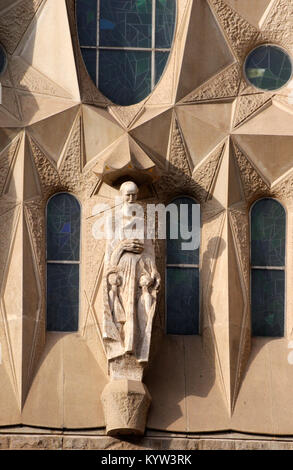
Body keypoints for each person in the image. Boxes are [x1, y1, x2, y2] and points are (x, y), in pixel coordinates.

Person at [103, 181, 160, 361]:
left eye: (134, 194)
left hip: (140, 265)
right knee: (123, 306)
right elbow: (110, 251)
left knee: (138, 306)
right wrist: (122, 248)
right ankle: (122, 345)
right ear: (121, 195)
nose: (131, 198)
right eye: (127, 194)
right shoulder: (113, 220)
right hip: (123, 266)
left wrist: (154, 271)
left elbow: (149, 249)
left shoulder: (144, 222)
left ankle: (135, 347)